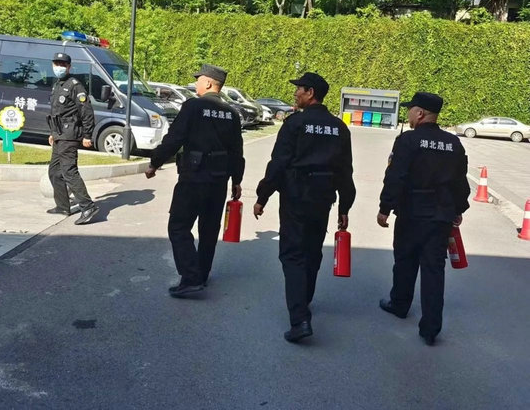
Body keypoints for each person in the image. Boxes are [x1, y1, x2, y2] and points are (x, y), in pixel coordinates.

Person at [254, 72, 356, 343]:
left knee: (292, 254)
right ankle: (304, 299)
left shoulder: (295, 124)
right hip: (323, 199)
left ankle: (299, 320)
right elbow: (345, 171)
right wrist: (344, 207)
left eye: (299, 89)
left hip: (296, 197)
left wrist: (262, 196)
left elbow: (279, 164)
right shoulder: (339, 128)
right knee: (312, 251)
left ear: (310, 93)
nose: (295, 93)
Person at [377, 91, 470, 346]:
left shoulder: (408, 140)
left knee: (405, 260)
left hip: (411, 213)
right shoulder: (453, 143)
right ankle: (430, 328)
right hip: (440, 216)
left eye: (410, 110)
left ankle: (399, 304)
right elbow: (460, 182)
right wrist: (458, 209)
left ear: (419, 113)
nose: (408, 114)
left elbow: (395, 176)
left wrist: (385, 207)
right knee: (434, 269)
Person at [145, 64, 245, 298]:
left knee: (178, 226)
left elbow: (174, 138)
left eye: (198, 80)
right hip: (218, 180)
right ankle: (201, 275)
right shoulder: (231, 113)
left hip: (193, 177)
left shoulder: (193, 106)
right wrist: (237, 180)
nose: (196, 84)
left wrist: (155, 163)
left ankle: (190, 278)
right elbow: (236, 150)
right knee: (209, 230)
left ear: (208, 83)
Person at [47, 52, 99, 225]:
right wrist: (52, 133)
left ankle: (88, 206)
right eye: (57, 64)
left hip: (69, 136)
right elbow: (56, 112)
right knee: (54, 172)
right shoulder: (57, 85)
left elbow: (86, 111)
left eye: (63, 64)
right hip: (59, 134)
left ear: (69, 67)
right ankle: (63, 206)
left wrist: (87, 135)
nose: (59, 67)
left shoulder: (75, 86)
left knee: (69, 171)